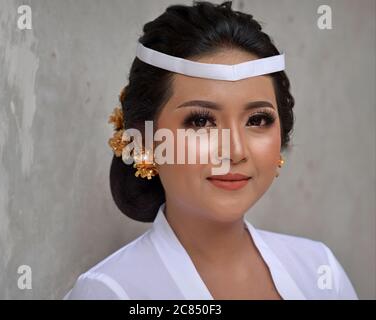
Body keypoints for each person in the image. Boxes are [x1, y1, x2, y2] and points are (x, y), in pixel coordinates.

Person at [64, 1, 358, 300]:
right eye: (201, 121)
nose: (235, 150)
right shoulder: (110, 291)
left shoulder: (320, 272)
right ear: (144, 139)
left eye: (257, 120)